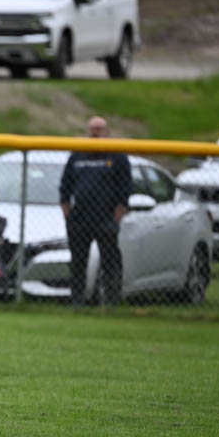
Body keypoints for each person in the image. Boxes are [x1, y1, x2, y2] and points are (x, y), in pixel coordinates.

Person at [59, 116, 131, 306]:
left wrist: (116, 217)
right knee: (78, 263)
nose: (94, 133)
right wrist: (67, 215)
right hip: (80, 219)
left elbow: (125, 190)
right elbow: (65, 188)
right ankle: (77, 302)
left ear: (107, 132)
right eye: (91, 129)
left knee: (110, 262)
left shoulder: (117, 156)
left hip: (105, 219)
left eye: (98, 129)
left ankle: (111, 302)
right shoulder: (77, 156)